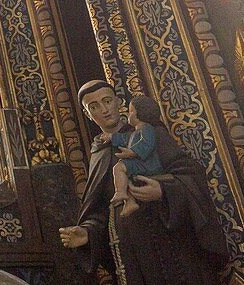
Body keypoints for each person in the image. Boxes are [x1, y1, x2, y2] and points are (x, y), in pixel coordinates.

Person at [60, 81, 229, 284]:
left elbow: (190, 175)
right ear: (88, 114)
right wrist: (88, 232)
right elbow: (102, 207)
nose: (103, 110)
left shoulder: (148, 133)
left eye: (107, 101)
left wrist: (163, 190)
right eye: (94, 106)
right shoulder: (100, 151)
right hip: (133, 254)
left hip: (170, 246)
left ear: (118, 102)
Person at [110, 95, 166, 217]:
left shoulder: (147, 128)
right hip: (142, 164)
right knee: (126, 178)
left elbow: (147, 144)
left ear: (140, 113)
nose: (128, 114)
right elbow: (125, 139)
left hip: (148, 165)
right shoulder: (135, 132)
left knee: (119, 168)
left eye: (130, 111)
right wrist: (111, 137)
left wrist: (131, 152)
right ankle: (129, 202)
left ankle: (120, 193)